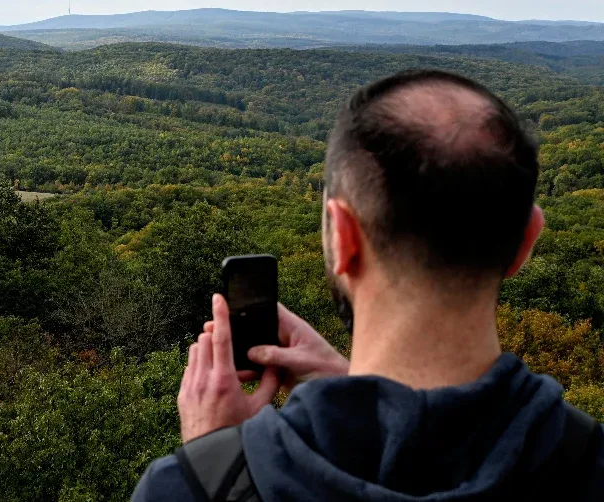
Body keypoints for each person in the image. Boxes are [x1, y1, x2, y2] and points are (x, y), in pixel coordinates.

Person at [131, 69, 604, 501]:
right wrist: (359, 395)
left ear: (343, 238)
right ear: (526, 241)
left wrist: (214, 465)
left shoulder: (184, 487)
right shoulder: (587, 460)